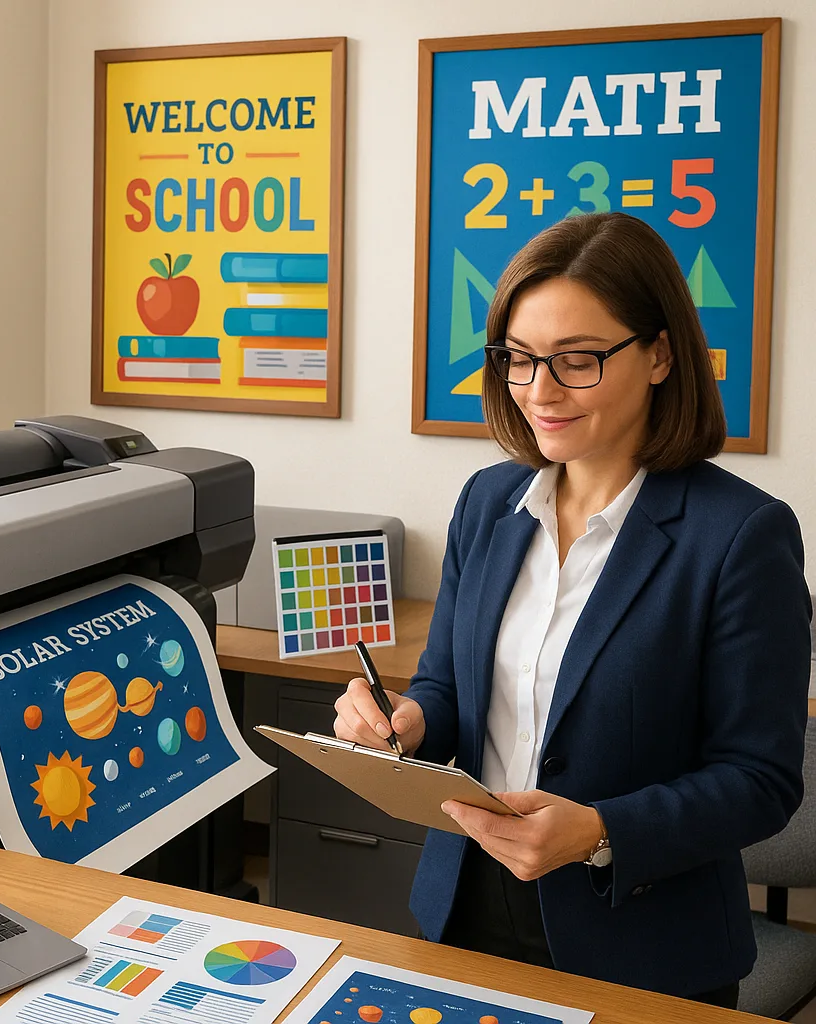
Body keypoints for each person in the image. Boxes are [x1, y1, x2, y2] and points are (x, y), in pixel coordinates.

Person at [333, 212, 811, 1008]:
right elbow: (450, 689)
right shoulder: (488, 502)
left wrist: (599, 830)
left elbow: (760, 780)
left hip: (642, 942)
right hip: (464, 910)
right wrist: (407, 721)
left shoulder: (741, 536)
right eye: (519, 361)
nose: (539, 392)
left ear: (659, 354)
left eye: (576, 361)